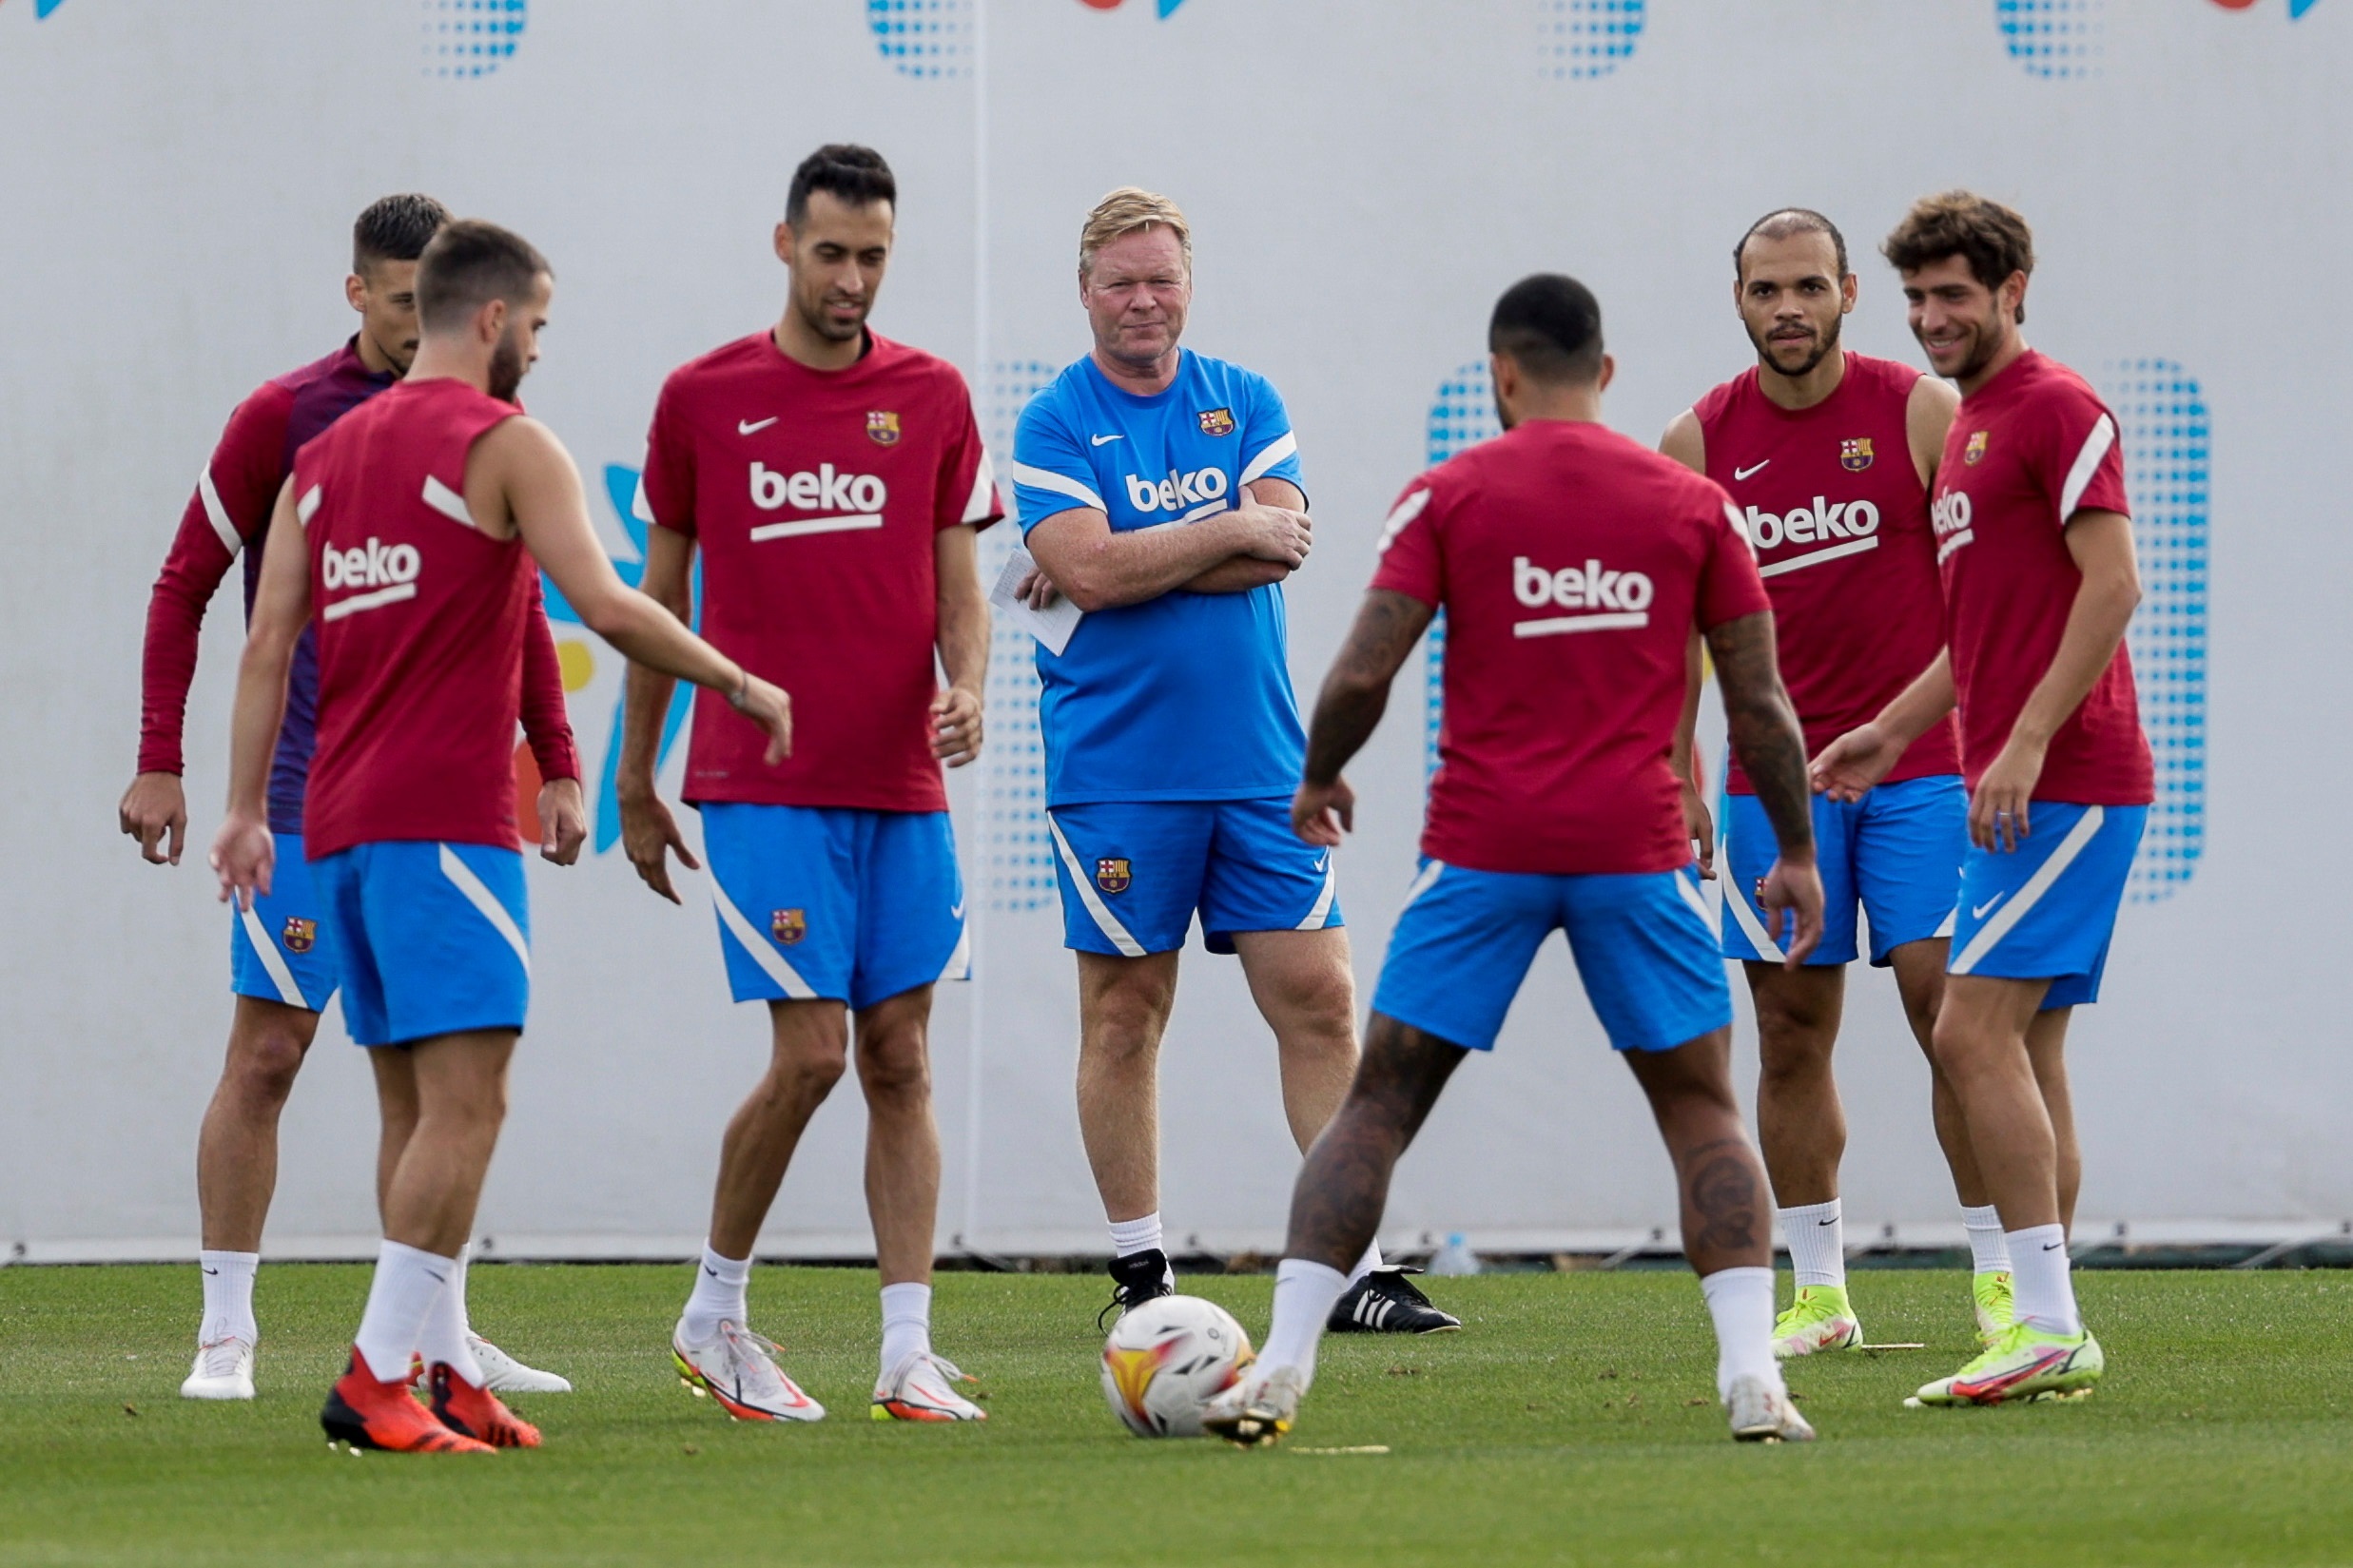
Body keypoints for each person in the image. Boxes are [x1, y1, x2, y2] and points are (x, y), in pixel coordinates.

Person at [1204, 273, 1826, 1448]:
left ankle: (1281, 1364)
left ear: (1499, 376)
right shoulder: (1691, 504)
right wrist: (1791, 849)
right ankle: (1752, 1374)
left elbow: (1359, 668)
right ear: (1603, 374)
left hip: (1485, 849)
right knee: (1700, 1107)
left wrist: (1319, 776)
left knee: (1377, 1101)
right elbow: (1758, 702)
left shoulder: (1451, 492)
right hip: (1635, 850)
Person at [210, 220, 793, 1454]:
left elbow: (266, 646)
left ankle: (439, 1372)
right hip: (440, 827)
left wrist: (247, 809)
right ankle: (376, 1378)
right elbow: (608, 602)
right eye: (536, 323)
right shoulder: (507, 442)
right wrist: (736, 681)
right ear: (489, 319)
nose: (536, 345)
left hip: (341, 826)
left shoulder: (326, 455)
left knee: (415, 1108)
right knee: (468, 1108)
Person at [121, 193, 580, 1403]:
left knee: (436, 1074)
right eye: (390, 299)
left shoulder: (492, 417)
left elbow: (523, 595)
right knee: (268, 1047)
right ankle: (226, 1330)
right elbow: (187, 587)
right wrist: (162, 757)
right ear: (358, 293)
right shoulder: (287, 418)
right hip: (307, 793)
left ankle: (436, 1338)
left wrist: (560, 756)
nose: (406, 321)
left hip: (439, 795)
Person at [1010, 187, 1453, 1335]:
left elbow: (1282, 547)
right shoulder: (1053, 421)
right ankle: (1141, 1270)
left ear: (1187, 286)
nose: (1142, 300)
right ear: (1084, 290)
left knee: (1318, 995)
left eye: (1161, 278)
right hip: (1114, 771)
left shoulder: (1242, 398)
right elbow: (1093, 572)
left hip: (1262, 763)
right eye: (1120, 281)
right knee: (1122, 1014)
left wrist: (1141, 549)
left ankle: (1345, 1269)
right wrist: (1222, 528)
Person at [618, 146, 1000, 1424]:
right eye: (831, 252)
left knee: (899, 1056)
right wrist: (633, 776)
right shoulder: (702, 398)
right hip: (758, 780)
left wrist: (971, 685)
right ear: (783, 243)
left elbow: (960, 582)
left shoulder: (934, 396)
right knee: (813, 1053)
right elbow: (656, 605)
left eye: (874, 255)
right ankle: (713, 1314)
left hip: (899, 781)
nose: (852, 278)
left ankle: (906, 1352)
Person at [1814, 192, 2149, 1407]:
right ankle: (2045, 1322)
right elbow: (1975, 631)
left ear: (2013, 291)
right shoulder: (1965, 427)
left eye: (1953, 295)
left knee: (1966, 1030)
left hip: (2068, 779)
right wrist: (1890, 731)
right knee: (2027, 1045)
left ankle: (2043, 1318)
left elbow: (2110, 586)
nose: (1930, 317)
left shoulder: (2055, 407)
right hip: (2014, 778)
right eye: (1915, 298)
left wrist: (2019, 741)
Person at [1661, 209, 2001, 1357]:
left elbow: (1988, 594)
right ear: (1737, 298)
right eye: (1765, 290)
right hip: (1773, 793)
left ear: (1850, 292)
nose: (1786, 309)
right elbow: (1669, 637)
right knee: (1789, 1028)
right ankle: (1817, 1293)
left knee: (1949, 1017)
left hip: (1918, 772)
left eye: (1808, 286)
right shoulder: (1696, 441)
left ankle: (2003, 1288)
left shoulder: (1917, 409)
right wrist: (1678, 771)